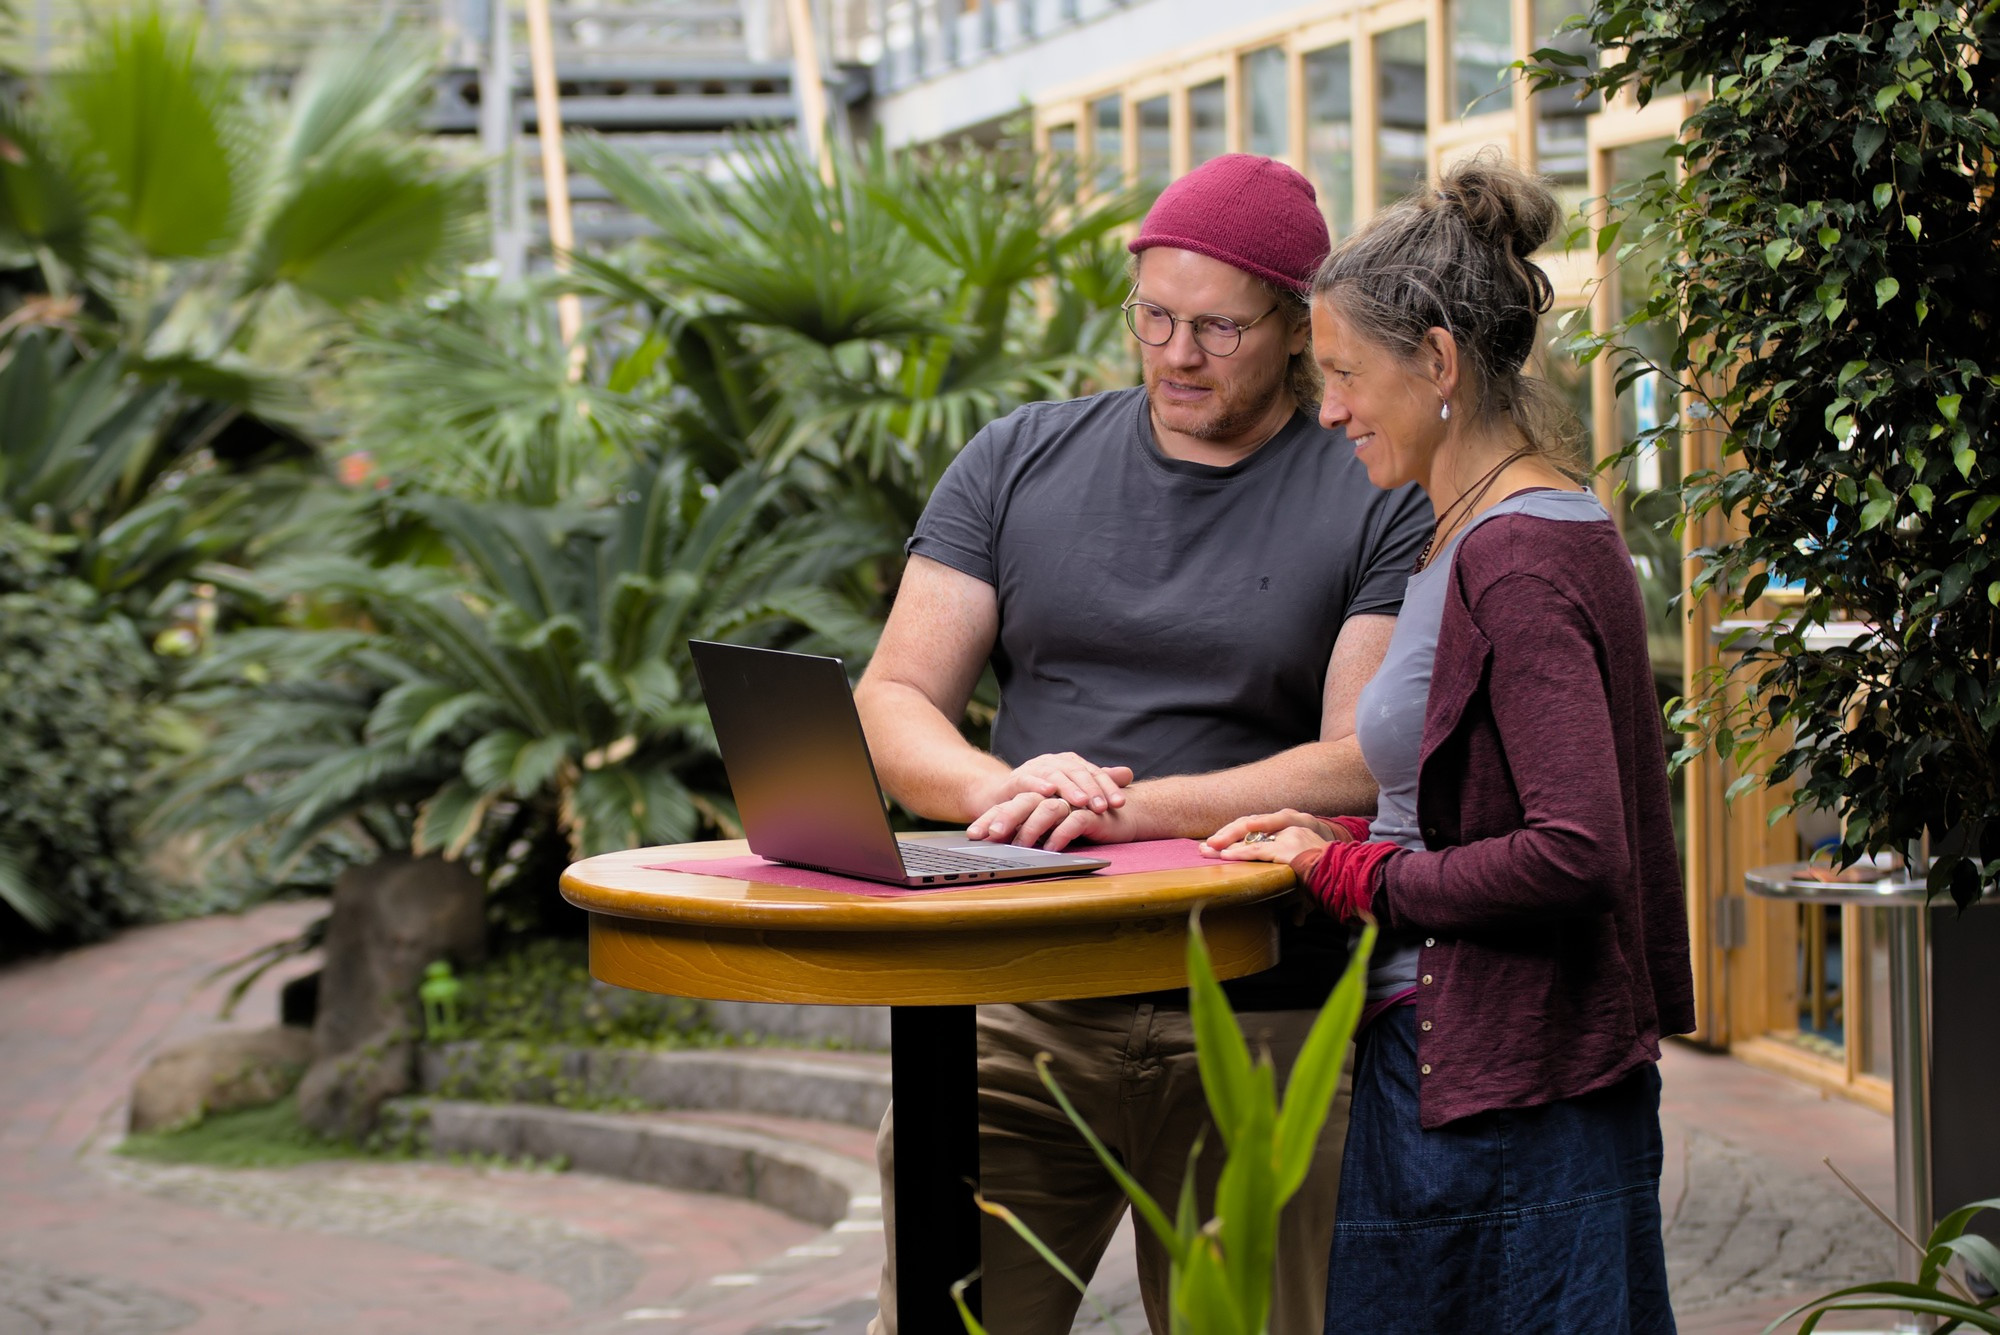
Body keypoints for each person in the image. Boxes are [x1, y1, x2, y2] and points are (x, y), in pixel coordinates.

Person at [854, 153, 1431, 1335]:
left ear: (1295, 325)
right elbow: (894, 698)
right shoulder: (1017, 457)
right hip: (1017, 1002)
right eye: (1153, 318)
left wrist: (1128, 811)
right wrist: (1002, 784)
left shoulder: (1374, 484)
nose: (1176, 355)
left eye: (1217, 328)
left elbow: (1360, 760)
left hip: (1258, 1013)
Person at [1205, 150, 1694, 1333]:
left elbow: (1575, 850)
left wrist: (1352, 871)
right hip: (1480, 1071)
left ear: (1435, 362)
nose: (1324, 410)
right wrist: (1326, 833)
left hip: (1500, 1098)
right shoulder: (1492, 526)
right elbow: (1469, 797)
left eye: (1340, 374)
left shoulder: (1514, 553)